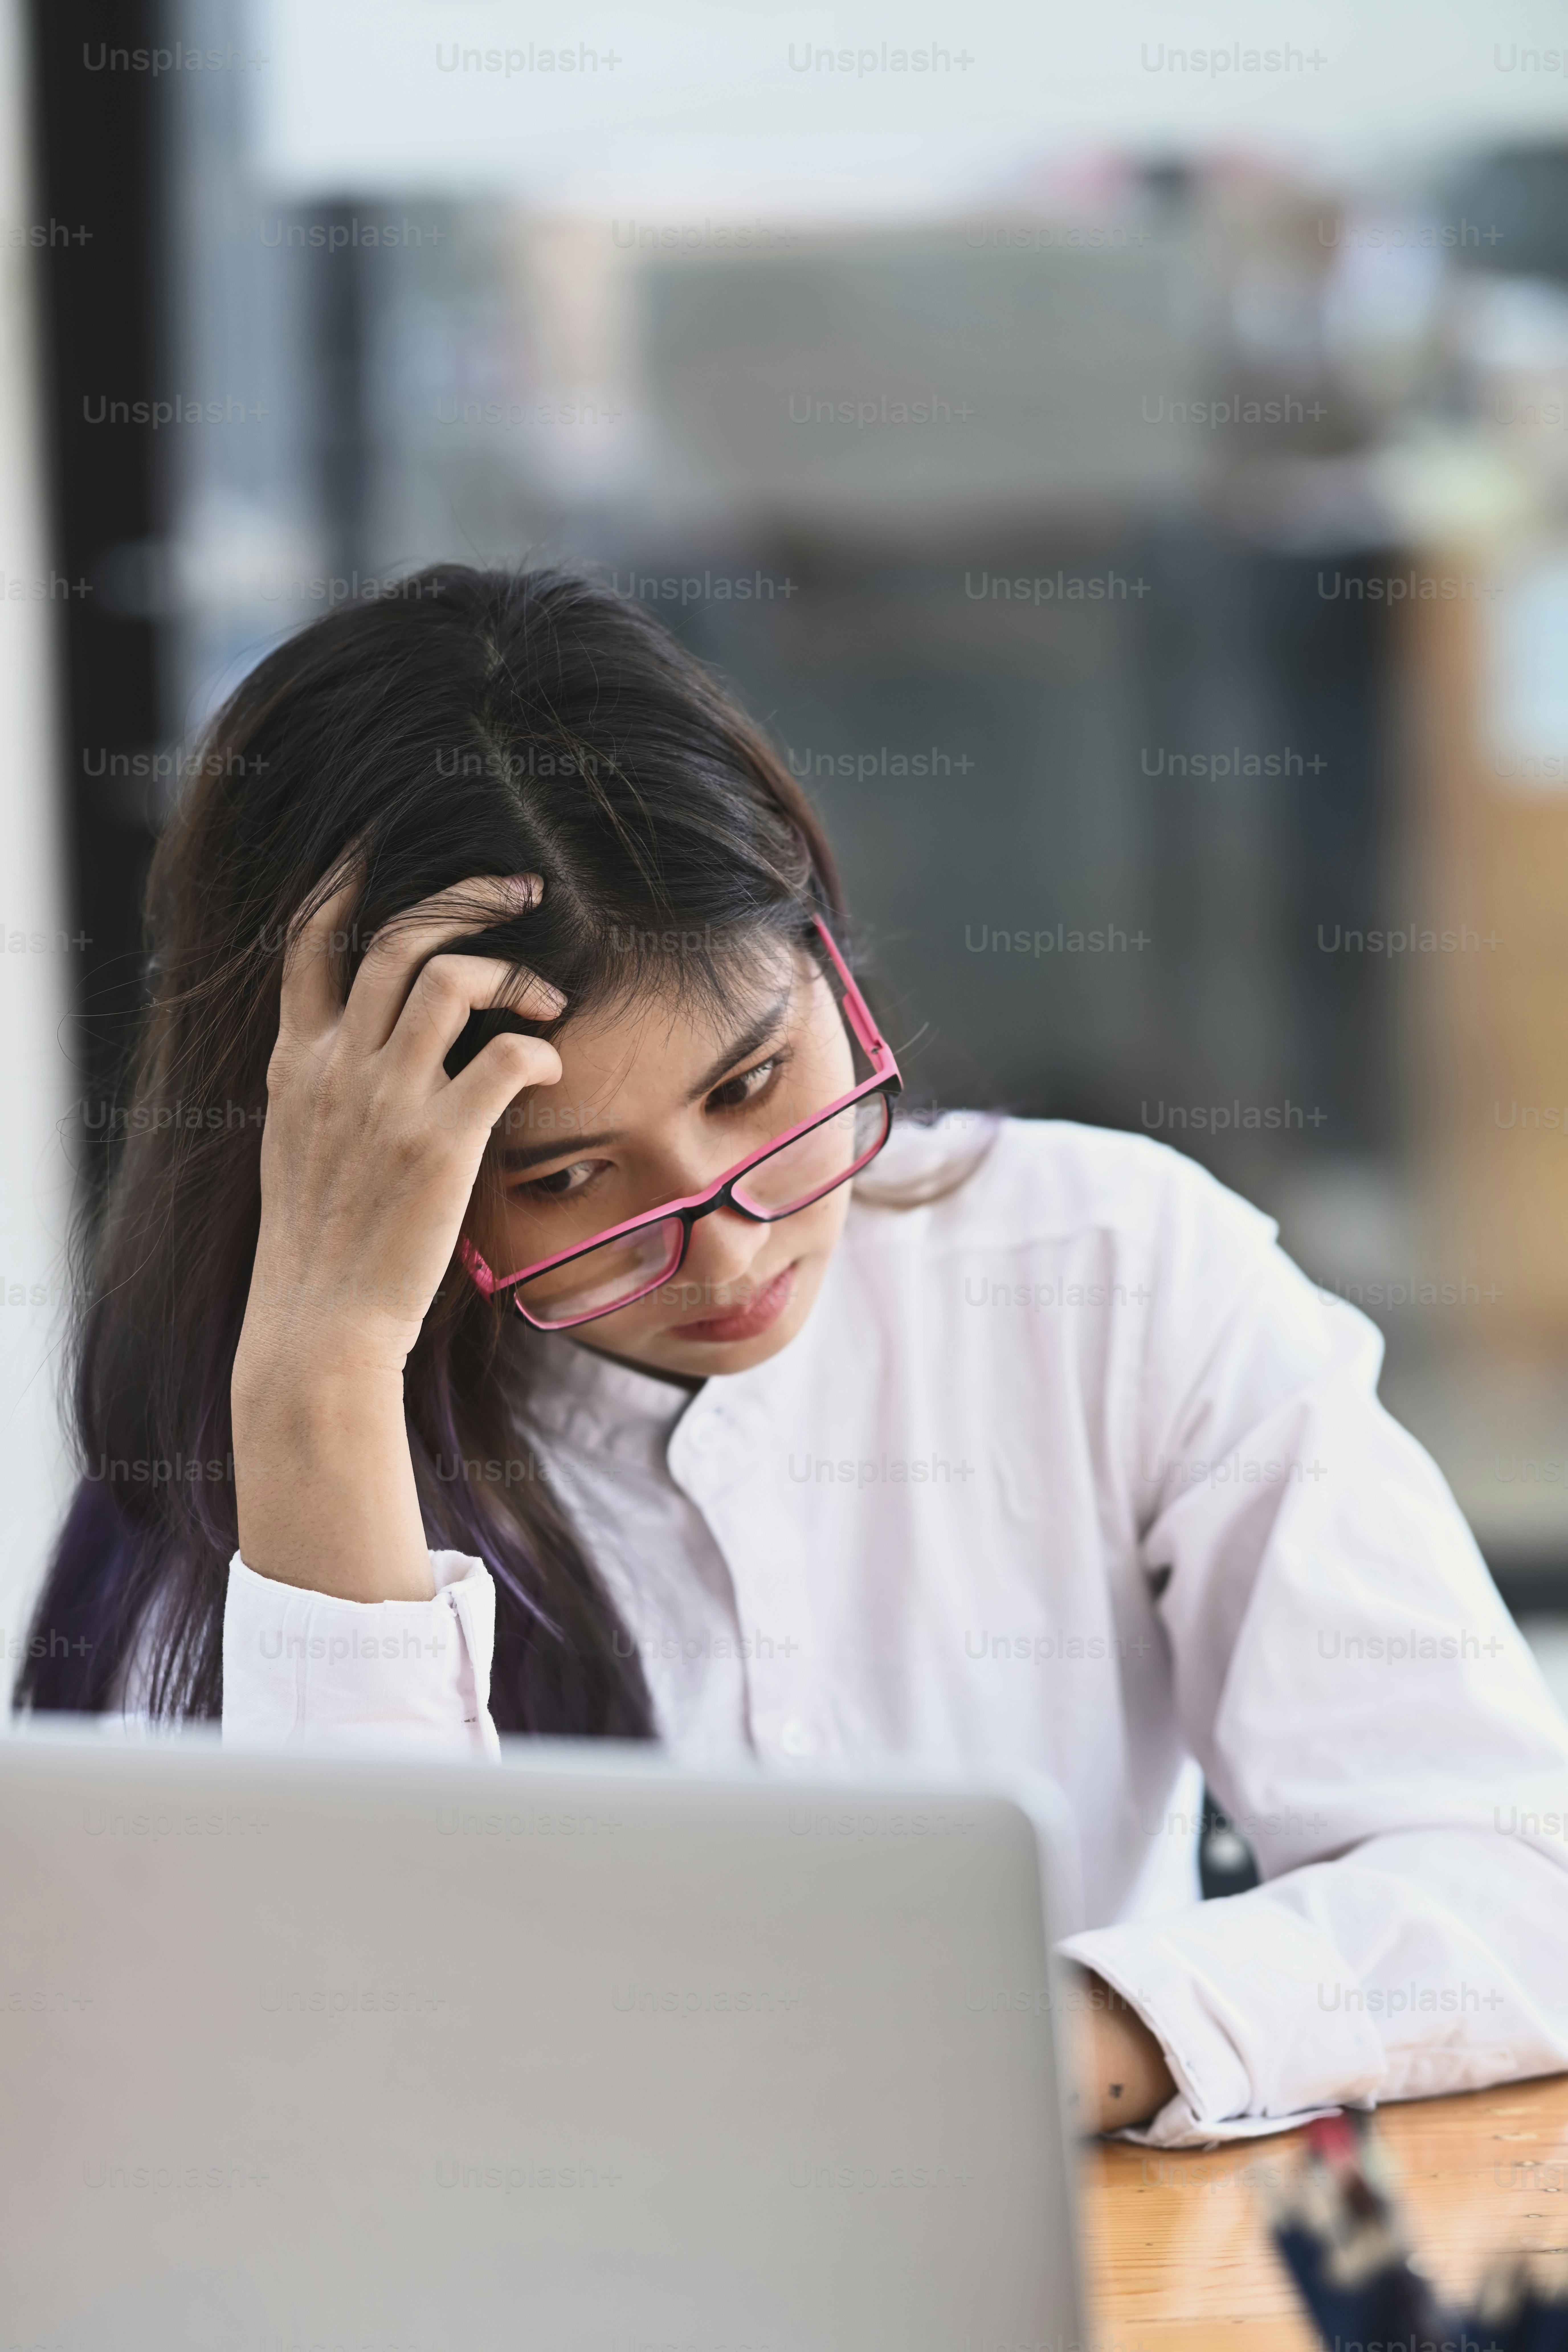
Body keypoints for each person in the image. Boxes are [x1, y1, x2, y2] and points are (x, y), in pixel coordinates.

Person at [17, 566, 1568, 2149]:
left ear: (826, 951)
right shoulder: (239, 1468)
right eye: (565, 1181)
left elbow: (1522, 1883)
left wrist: (1022, 2046)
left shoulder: (1111, 1272)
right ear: (367, 1163)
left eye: (760, 1083)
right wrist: (324, 1373)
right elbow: (353, 2103)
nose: (728, 1243)